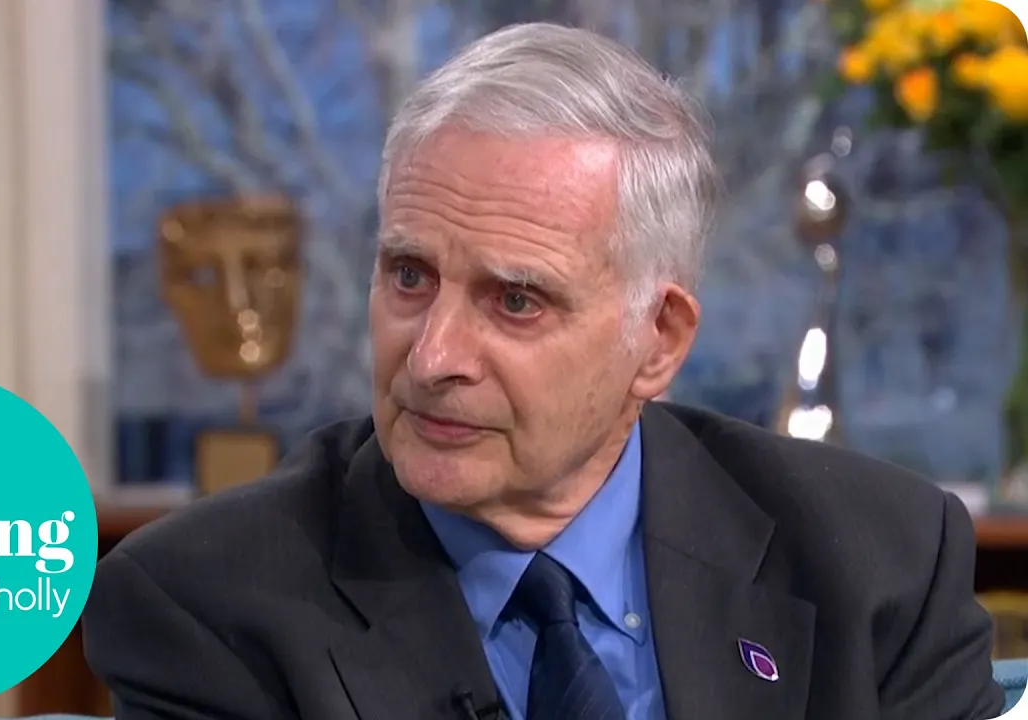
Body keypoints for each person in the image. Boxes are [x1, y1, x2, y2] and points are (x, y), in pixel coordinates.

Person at [82, 22, 1004, 720]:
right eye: (410, 277)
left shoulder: (876, 564)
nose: (434, 358)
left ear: (659, 340)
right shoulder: (204, 604)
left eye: (516, 300)